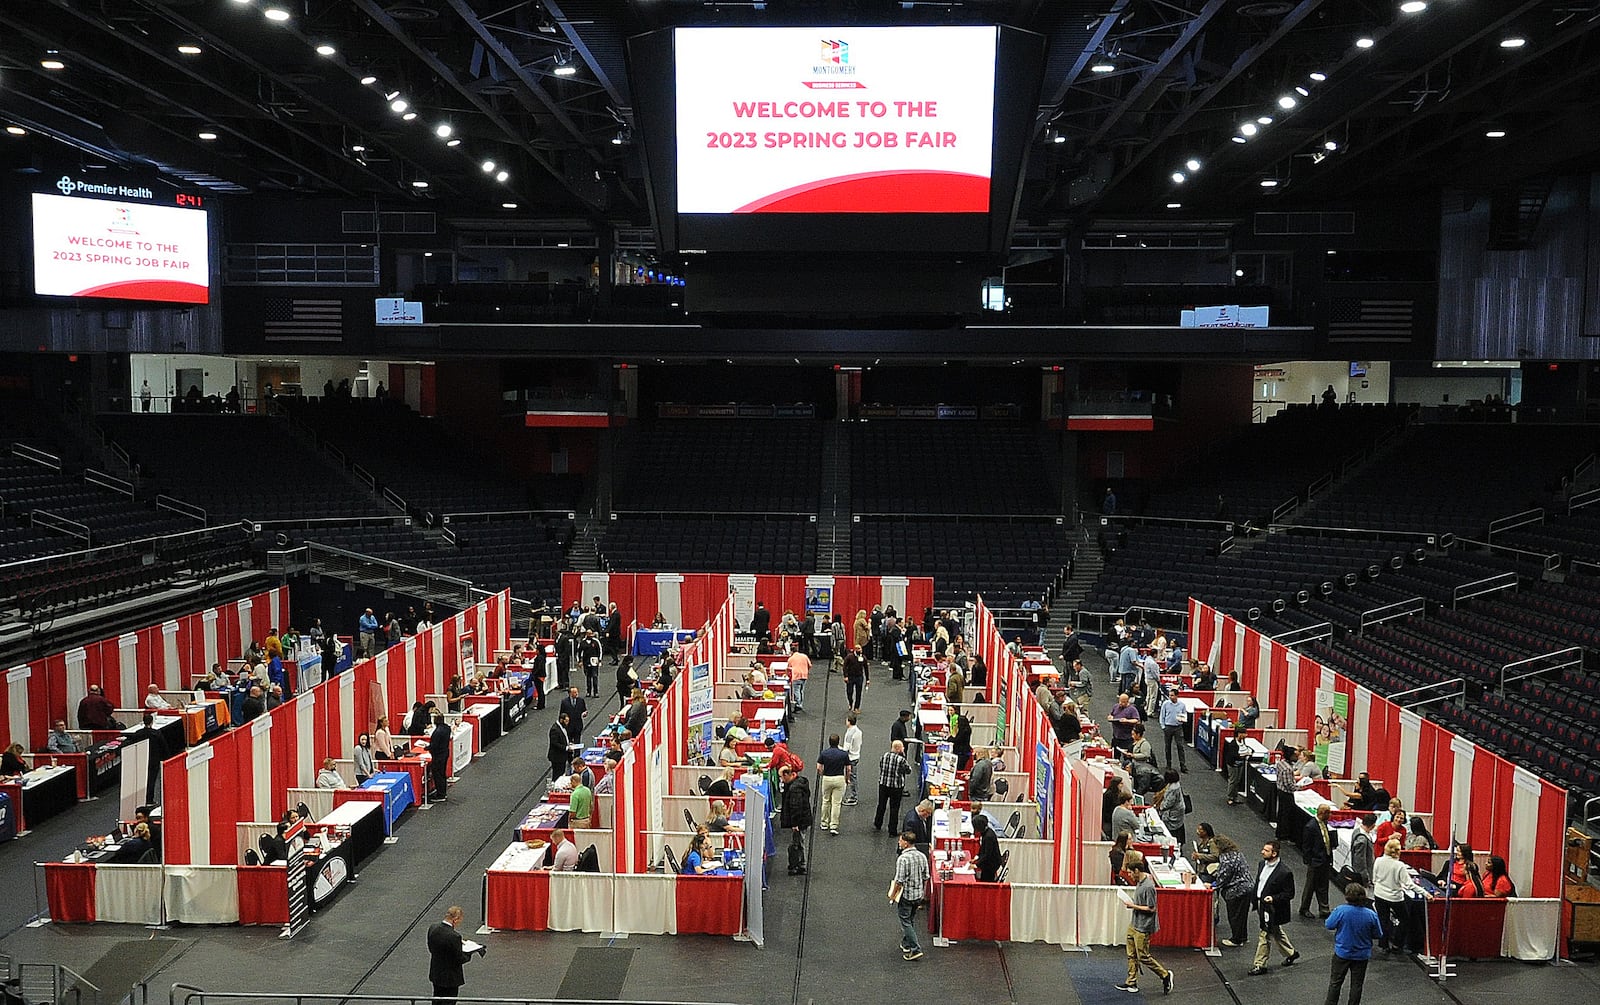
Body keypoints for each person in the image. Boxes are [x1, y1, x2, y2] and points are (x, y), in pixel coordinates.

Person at [1116, 855, 1174, 995]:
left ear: (1137, 870)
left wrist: (1133, 906)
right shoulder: (1140, 882)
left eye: (1130, 872)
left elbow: (1151, 908)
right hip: (1134, 924)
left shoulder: (1148, 887)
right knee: (1131, 954)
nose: (1129, 875)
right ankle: (1131, 981)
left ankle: (1165, 975)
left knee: (1143, 956)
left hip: (1143, 927)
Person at [1324, 883, 1384, 1005]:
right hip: (1361, 955)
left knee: (1335, 983)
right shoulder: (1371, 914)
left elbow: (1329, 925)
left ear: (1347, 896)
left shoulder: (1341, 910)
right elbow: (1378, 934)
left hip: (1342, 953)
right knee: (1357, 985)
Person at [1248, 839, 1300, 974]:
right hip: (1261, 905)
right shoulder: (1261, 865)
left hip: (1273, 909)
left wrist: (1274, 898)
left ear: (1274, 853)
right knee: (1276, 931)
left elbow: (1289, 893)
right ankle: (1291, 953)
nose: (1262, 852)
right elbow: (1259, 883)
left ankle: (1260, 964)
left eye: (1266, 850)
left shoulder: (1284, 872)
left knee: (1264, 934)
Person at [888, 828, 930, 960]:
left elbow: (899, 880)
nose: (899, 842)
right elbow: (926, 876)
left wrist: (893, 895)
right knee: (910, 919)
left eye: (900, 840)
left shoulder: (903, 859)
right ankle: (906, 943)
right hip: (918, 894)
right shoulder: (922, 856)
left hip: (906, 895)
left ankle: (915, 948)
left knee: (905, 921)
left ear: (906, 843)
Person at [426, 905, 480, 1004]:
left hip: (436, 973)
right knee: (449, 1002)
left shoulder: (433, 928)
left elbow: (431, 948)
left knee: (436, 999)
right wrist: (470, 953)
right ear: (455, 919)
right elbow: (460, 958)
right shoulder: (454, 936)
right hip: (450, 978)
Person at [1214, 835, 1254, 948]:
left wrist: (1213, 885)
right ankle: (1242, 936)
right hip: (1248, 887)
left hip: (1236, 891)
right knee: (1242, 915)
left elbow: (1223, 877)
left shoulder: (1226, 859)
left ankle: (1236, 940)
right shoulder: (1238, 854)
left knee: (1234, 916)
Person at [1301, 803, 1336, 917]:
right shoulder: (1310, 827)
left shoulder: (1324, 824)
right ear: (1322, 813)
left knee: (1324, 885)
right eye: (1328, 813)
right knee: (1310, 886)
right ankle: (1304, 908)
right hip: (1315, 861)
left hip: (1325, 860)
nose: (1330, 815)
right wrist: (1310, 861)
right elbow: (1306, 846)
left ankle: (1324, 909)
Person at [777, 764, 813, 875]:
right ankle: (800, 864)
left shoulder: (794, 789)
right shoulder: (801, 783)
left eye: (782, 777)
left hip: (799, 822)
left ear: (788, 775)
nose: (781, 780)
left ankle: (799, 865)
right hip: (804, 819)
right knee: (799, 842)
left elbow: (795, 807)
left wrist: (795, 824)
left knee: (798, 843)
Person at [816, 733, 850, 835]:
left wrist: (822, 774)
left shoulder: (824, 753)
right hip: (839, 778)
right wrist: (847, 779)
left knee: (826, 801)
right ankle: (833, 825)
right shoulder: (843, 754)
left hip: (827, 778)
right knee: (836, 803)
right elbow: (848, 768)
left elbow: (818, 767)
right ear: (838, 742)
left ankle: (824, 823)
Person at [874, 739, 911, 831]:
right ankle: (892, 829)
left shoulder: (884, 756)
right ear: (899, 749)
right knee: (894, 808)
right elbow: (908, 770)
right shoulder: (901, 760)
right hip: (896, 787)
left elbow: (881, 766)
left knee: (881, 805)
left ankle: (878, 823)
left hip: (883, 784)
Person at [1157, 688, 1188, 772]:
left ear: (1177, 696)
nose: (1170, 697)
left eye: (1172, 695)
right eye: (1170, 695)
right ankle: (1168, 764)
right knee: (1168, 746)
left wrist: (1182, 720)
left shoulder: (1182, 705)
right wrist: (1163, 726)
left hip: (1178, 727)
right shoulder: (1166, 704)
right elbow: (1162, 715)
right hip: (1168, 727)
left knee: (1180, 746)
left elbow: (1184, 715)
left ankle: (1183, 765)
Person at [1156, 768, 1187, 845]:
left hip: (1174, 812)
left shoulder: (1173, 789)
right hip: (1178, 809)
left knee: (1173, 830)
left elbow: (1168, 803)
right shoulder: (1176, 784)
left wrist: (1160, 807)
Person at [1347, 812, 1377, 887]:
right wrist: (1365, 876)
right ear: (1373, 825)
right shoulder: (1362, 840)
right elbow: (1360, 860)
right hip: (1362, 875)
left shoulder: (1357, 830)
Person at [427, 715, 451, 801]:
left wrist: (427, 747)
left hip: (438, 756)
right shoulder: (447, 728)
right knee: (442, 774)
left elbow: (434, 745)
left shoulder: (437, 732)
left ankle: (440, 794)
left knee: (438, 775)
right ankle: (443, 792)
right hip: (445, 753)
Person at [974, 811, 1003, 883]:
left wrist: (976, 865)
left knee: (985, 880)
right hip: (988, 860)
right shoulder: (985, 832)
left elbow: (987, 855)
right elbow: (982, 848)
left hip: (992, 864)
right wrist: (977, 857)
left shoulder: (989, 836)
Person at [842, 713, 863, 805]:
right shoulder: (858, 731)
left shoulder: (850, 734)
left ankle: (853, 797)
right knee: (852, 777)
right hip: (856, 755)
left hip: (850, 758)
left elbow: (846, 749)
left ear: (849, 721)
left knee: (851, 777)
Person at [577, 630, 602, 698]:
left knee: (595, 676)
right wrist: (579, 661)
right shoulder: (582, 642)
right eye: (589, 634)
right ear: (586, 634)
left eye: (591, 634)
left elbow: (599, 651)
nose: (591, 635)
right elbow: (579, 652)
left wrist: (599, 660)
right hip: (586, 661)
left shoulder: (596, 642)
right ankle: (588, 691)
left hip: (594, 661)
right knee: (588, 677)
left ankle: (596, 692)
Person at [842, 646, 868, 710]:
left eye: (860, 649)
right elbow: (844, 666)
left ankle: (856, 707)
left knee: (858, 693)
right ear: (855, 649)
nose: (859, 650)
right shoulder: (849, 657)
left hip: (859, 677)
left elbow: (866, 669)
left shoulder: (863, 658)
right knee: (849, 692)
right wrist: (845, 676)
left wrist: (867, 679)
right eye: (858, 649)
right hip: (850, 677)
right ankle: (850, 702)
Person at [548, 713, 572, 782]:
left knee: (561, 773)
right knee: (557, 774)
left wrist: (568, 744)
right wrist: (566, 748)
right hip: (557, 757)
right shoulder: (555, 729)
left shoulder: (562, 728)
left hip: (562, 756)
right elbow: (555, 743)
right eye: (566, 721)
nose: (567, 723)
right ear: (561, 720)